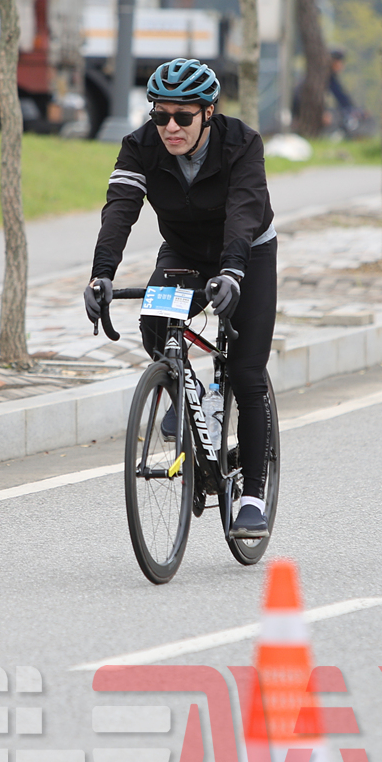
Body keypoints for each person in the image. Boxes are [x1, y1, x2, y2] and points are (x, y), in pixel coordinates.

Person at [84, 59, 276, 541]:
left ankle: (252, 498)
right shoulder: (140, 147)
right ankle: (184, 391)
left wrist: (232, 271)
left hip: (247, 253)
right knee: (154, 323)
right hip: (185, 253)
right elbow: (119, 210)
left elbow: (244, 210)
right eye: (160, 115)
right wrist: (101, 275)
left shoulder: (242, 143)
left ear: (208, 113)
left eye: (183, 116)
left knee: (247, 373)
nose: (170, 127)